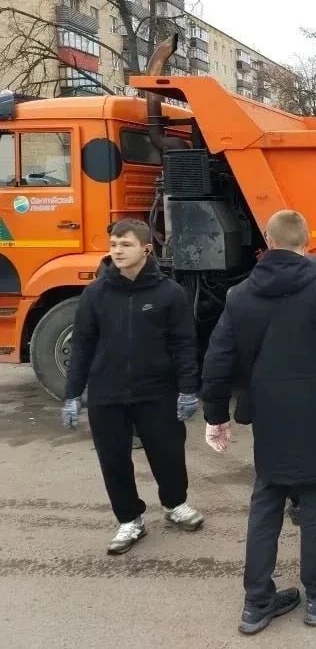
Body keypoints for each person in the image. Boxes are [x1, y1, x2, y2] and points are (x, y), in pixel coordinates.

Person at [199, 210, 316, 635]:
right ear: (308, 239)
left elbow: (218, 358)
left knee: (266, 505)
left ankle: (256, 604)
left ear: (267, 239)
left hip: (270, 418)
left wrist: (215, 415)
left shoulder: (241, 295)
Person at [62, 219, 204, 555]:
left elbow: (184, 344)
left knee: (168, 453)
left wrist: (187, 388)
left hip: (156, 391)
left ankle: (175, 504)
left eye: (125, 244)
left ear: (146, 249)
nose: (117, 251)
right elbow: (82, 345)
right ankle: (129, 520)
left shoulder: (169, 294)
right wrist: (72, 394)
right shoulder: (95, 294)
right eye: (113, 244)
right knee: (113, 459)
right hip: (106, 393)